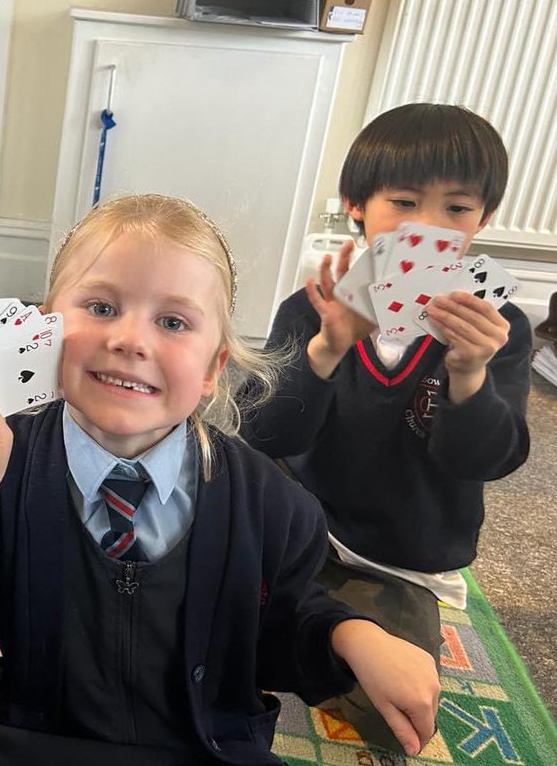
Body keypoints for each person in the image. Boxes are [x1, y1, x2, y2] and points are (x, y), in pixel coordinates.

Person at [0, 193, 440, 766]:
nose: (130, 339)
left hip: (200, 748)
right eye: (101, 308)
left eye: (174, 321)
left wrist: (353, 635)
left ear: (213, 368)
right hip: (27, 735)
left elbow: (278, 636)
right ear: (44, 331)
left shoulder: (272, 505)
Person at [242, 104, 531, 752]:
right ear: (356, 205)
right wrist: (324, 352)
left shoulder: (494, 327)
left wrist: (469, 376)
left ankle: (321, 625)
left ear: (482, 219)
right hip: (301, 525)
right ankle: (309, 619)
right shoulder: (312, 307)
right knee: (190, 592)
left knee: (394, 717)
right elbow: (265, 435)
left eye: (456, 209)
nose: (427, 226)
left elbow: (485, 459)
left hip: (400, 557)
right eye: (403, 201)